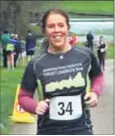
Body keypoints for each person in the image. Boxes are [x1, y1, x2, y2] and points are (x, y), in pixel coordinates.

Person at [18, 9, 103, 135]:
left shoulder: (85, 55)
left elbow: (98, 76)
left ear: (68, 28)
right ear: (45, 31)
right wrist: (35, 106)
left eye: (61, 25)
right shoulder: (36, 63)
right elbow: (23, 96)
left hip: (81, 129)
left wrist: (95, 92)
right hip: (48, 130)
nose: (57, 30)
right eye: (51, 26)